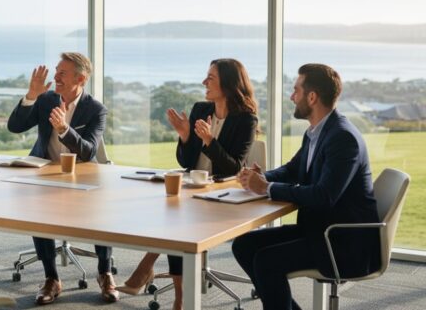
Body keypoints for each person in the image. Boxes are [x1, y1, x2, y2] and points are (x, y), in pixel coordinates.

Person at [233, 63, 380, 310]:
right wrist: (260, 178)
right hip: (319, 230)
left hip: (342, 242)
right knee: (244, 245)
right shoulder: (317, 131)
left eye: (296, 91)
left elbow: (324, 196)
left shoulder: (343, 138)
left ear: (312, 97)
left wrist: (266, 188)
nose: (291, 97)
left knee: (267, 261)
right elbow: (292, 170)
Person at [118, 58, 259, 310]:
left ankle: (170, 289)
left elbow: (234, 167)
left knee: (176, 220)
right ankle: (163, 281)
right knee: (172, 213)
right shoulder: (200, 109)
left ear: (227, 83)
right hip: (194, 188)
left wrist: (209, 141)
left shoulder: (246, 120)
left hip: (224, 192)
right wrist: (185, 137)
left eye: (211, 78)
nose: (204, 82)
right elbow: (185, 160)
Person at [7, 52, 117, 305]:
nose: (56, 77)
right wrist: (31, 95)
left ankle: (104, 271)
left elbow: (89, 150)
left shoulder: (95, 109)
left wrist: (64, 130)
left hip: (83, 176)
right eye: (56, 71)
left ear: (81, 78)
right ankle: (52, 278)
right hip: (45, 171)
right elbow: (15, 127)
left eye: (62, 73)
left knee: (100, 215)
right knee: (38, 213)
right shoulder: (46, 100)